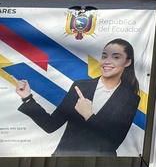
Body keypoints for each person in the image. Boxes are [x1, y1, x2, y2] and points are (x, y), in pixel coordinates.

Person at [13, 39, 141, 156]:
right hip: (65, 163)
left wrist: (89, 115)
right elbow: (50, 125)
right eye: (104, 56)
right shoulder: (81, 87)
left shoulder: (130, 99)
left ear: (127, 62)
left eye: (116, 57)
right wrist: (27, 98)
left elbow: (112, 143)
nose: (107, 61)